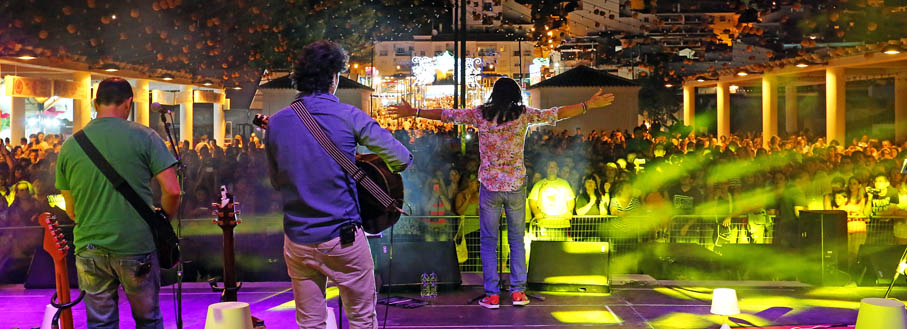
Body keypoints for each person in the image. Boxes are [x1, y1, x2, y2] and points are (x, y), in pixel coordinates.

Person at [388, 77, 614, 309]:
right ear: (516, 95)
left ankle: (492, 295)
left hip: (490, 186)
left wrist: (414, 111)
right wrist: (587, 105)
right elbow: (554, 113)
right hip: (515, 187)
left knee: (488, 242)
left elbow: (448, 114)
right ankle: (518, 293)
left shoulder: (481, 114)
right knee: (516, 241)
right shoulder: (523, 114)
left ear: (494, 94)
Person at [265, 40, 412, 329]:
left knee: (310, 322)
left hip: (297, 240)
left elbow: (275, 181)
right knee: (361, 320)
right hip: (342, 237)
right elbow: (402, 158)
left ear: (300, 79)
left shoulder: (277, 123)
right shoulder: (349, 116)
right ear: (334, 79)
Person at [55, 77, 181, 329]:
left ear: (95, 103)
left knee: (101, 324)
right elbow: (173, 190)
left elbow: (69, 209)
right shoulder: (145, 137)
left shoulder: (70, 145)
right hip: (136, 245)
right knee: (148, 321)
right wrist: (164, 218)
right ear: (128, 103)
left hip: (90, 247)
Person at [529, 160, 576, 241]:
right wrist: (536, 212)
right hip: (544, 223)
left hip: (561, 223)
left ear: (557, 169)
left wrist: (569, 211)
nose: (552, 169)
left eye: (554, 167)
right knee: (545, 249)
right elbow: (532, 201)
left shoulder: (564, 183)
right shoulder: (539, 184)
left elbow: (571, 200)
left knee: (560, 250)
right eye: (550, 167)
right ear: (545, 168)